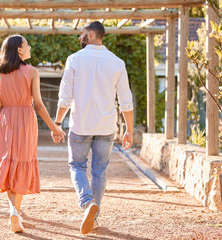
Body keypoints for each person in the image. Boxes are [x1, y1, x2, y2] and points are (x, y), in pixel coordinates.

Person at [52, 21, 134, 235]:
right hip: (106, 127)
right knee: (99, 172)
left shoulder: (75, 60)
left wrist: (58, 123)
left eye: (82, 33)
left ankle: (87, 203)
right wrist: (130, 130)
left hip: (80, 125)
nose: (80, 36)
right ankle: (94, 218)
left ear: (90, 34)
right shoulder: (117, 62)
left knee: (77, 166)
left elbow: (65, 98)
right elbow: (126, 101)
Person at [0, 35, 65, 233]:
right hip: (25, 119)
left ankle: (13, 209)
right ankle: (15, 211)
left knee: (7, 163)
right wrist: (54, 128)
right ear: (19, 50)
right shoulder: (32, 72)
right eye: (27, 45)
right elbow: (39, 105)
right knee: (22, 162)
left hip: (5, 120)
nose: (30, 47)